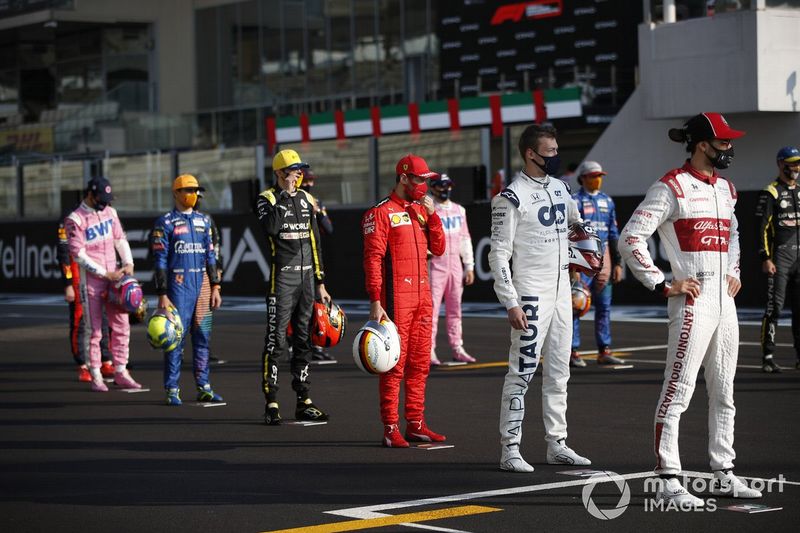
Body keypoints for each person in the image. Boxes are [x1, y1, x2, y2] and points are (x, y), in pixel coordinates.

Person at [619, 112, 761, 506]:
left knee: (725, 391)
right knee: (678, 390)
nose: (730, 148)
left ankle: (723, 471)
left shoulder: (727, 189)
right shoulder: (671, 187)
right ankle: (668, 477)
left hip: (724, 302)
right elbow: (630, 238)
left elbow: (733, 236)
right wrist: (663, 283)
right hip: (693, 301)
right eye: (724, 142)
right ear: (703, 144)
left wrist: (733, 270)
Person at [488, 123, 591, 473]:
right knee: (522, 371)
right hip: (531, 292)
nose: (556, 157)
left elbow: (577, 226)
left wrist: (590, 252)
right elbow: (498, 254)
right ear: (531, 154)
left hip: (563, 291)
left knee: (560, 372)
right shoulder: (510, 197)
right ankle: (510, 448)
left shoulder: (562, 188)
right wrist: (511, 302)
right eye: (550, 152)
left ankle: (556, 444)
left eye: (557, 151)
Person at [362, 154, 447, 447]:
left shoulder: (422, 211)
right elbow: (372, 259)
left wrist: (433, 216)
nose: (424, 185)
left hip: (424, 297)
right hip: (396, 299)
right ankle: (390, 426)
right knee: (394, 365)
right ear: (403, 178)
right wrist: (375, 301)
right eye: (420, 180)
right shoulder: (380, 212)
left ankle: (416, 423)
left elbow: (439, 248)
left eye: (427, 181)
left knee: (420, 363)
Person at [255, 149, 331, 425]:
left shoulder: (307, 198)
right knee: (275, 340)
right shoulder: (267, 199)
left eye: (300, 169)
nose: (299, 173)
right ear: (280, 173)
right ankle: (272, 402)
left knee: (303, 339)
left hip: (307, 280)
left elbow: (315, 242)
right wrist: (284, 194)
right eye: (294, 169)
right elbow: (271, 229)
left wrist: (320, 281)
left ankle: (304, 400)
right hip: (282, 279)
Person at [151, 174, 223, 405]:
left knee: (203, 337)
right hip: (177, 287)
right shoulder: (165, 223)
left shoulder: (204, 221)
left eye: (195, 190)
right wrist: (162, 293)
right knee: (175, 339)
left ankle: (204, 387)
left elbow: (211, 255)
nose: (192, 194)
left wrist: (216, 286)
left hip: (202, 286)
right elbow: (159, 260)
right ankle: (172, 389)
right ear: (176, 193)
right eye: (187, 190)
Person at [65, 177, 141, 392]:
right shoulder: (75, 219)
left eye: (108, 199)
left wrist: (128, 263)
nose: (105, 203)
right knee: (95, 329)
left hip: (115, 278)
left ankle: (121, 371)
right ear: (90, 194)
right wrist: (103, 273)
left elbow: (120, 239)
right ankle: (96, 374)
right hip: (92, 281)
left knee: (122, 326)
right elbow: (78, 254)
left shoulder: (110, 211)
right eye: (101, 198)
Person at [569, 161, 625, 367]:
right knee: (576, 305)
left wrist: (618, 263)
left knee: (604, 307)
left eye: (600, 175)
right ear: (583, 178)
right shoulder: (573, 200)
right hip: (581, 260)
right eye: (593, 176)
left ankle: (604, 350)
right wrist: (572, 267)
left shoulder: (607, 201)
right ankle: (572, 351)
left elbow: (613, 234)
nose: (598, 179)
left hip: (604, 261)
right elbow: (570, 234)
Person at [756, 146, 800, 373]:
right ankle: (768, 357)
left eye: (798, 163)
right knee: (775, 308)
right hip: (779, 259)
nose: (796, 167)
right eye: (792, 163)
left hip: (798, 260)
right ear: (781, 164)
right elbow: (761, 228)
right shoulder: (771, 192)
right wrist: (766, 257)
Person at [57, 211, 114, 382]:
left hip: (98, 275)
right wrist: (68, 285)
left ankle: (105, 359)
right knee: (79, 321)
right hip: (77, 276)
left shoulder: (104, 217)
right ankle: (82, 365)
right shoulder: (70, 220)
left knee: (104, 318)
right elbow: (63, 254)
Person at [428, 174, 476, 365]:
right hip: (434, 265)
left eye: (448, 185)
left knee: (455, 309)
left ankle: (457, 347)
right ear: (432, 187)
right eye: (441, 186)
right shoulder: (427, 209)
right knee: (430, 312)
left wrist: (469, 265)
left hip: (455, 264)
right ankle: (429, 350)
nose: (445, 189)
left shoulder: (459, 210)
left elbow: (465, 239)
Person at [299, 169, 335, 361]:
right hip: (296, 258)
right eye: (306, 180)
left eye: (312, 180)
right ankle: (294, 345)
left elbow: (329, 229)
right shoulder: (291, 202)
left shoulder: (317, 203)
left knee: (316, 304)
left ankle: (316, 345)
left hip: (315, 257)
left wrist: (317, 212)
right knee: (296, 306)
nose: (309, 184)